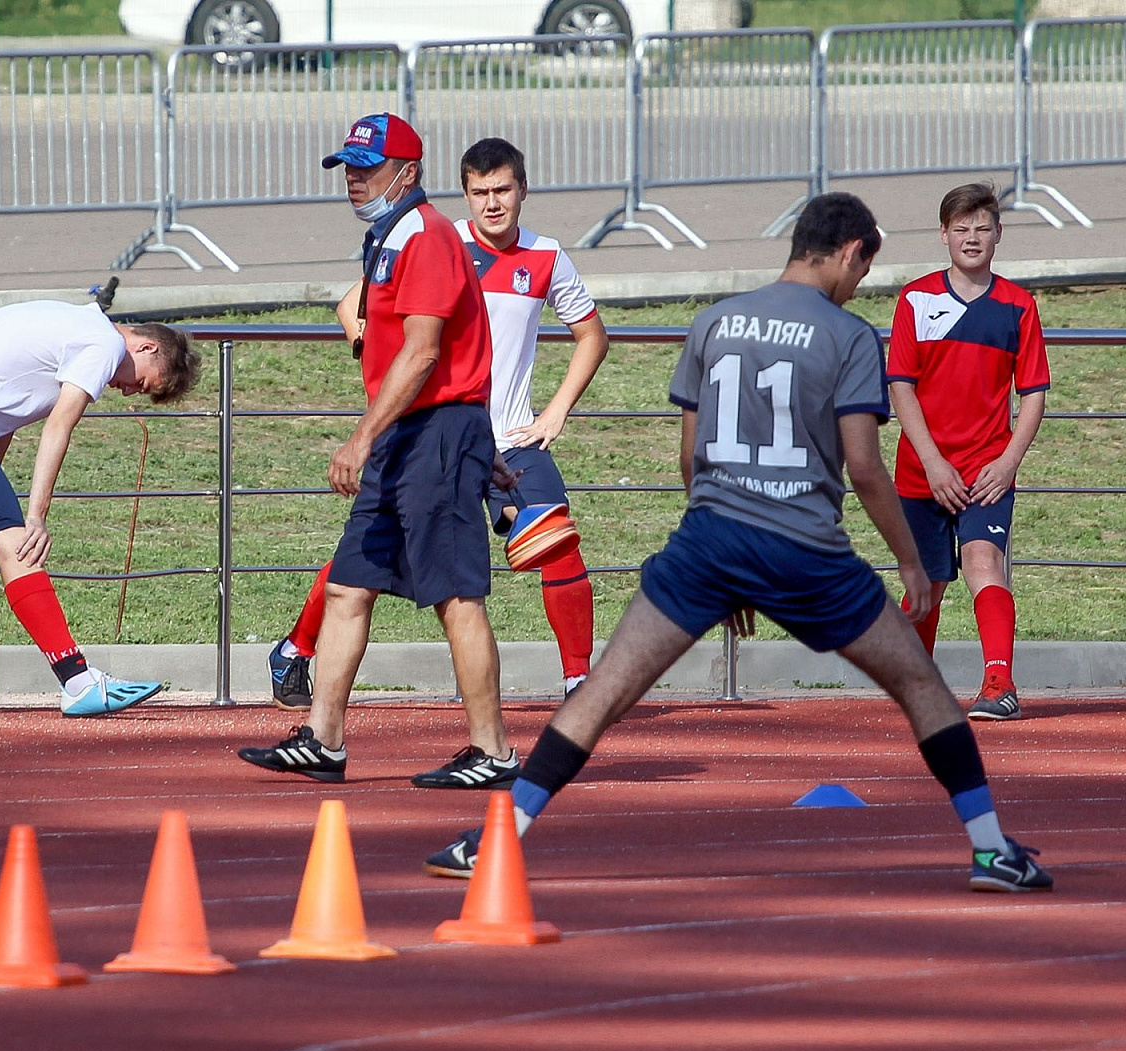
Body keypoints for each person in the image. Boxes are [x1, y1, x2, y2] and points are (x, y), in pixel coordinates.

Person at [420, 193, 1052, 894]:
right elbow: (867, 466)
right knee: (919, 684)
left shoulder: (714, 320)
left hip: (708, 544)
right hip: (806, 548)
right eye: (861, 269)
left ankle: (496, 838)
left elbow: (690, 458)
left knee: (603, 691)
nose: (859, 284)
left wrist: (719, 565)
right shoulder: (845, 337)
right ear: (848, 253)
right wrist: (910, 559)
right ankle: (991, 849)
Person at [267, 136, 609, 729]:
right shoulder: (438, 240)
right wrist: (368, 351)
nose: (492, 204)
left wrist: (555, 413)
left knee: (555, 539)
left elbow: (593, 335)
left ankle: (578, 680)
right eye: (480, 192)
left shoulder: (547, 256)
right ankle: (296, 651)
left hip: (506, 439)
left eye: (503, 190)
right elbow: (353, 304)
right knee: (370, 561)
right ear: (465, 193)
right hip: (434, 431)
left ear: (522, 190)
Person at [238, 113, 519, 788]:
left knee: (456, 595)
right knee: (345, 588)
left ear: (409, 172)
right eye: (350, 168)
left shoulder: (425, 236)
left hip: (431, 435)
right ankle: (323, 737)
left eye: (370, 166)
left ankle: (494, 751)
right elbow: (420, 347)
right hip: (412, 437)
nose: (356, 180)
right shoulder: (390, 236)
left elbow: (426, 354)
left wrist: (366, 438)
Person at [0, 299, 199, 716]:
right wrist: (35, 516)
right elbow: (58, 427)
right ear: (147, 349)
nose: (127, 392)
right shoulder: (103, 344)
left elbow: (2, 420)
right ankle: (77, 681)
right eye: (143, 384)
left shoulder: (79, 328)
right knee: (20, 546)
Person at [887, 182, 1048, 723]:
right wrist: (933, 462)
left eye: (983, 227)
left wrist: (1007, 463)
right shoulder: (916, 299)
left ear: (999, 235)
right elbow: (901, 386)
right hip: (922, 472)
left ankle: (998, 683)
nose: (972, 237)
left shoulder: (1018, 306)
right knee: (924, 583)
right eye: (961, 228)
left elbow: (1033, 394)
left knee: (984, 564)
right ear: (943, 235)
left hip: (986, 473)